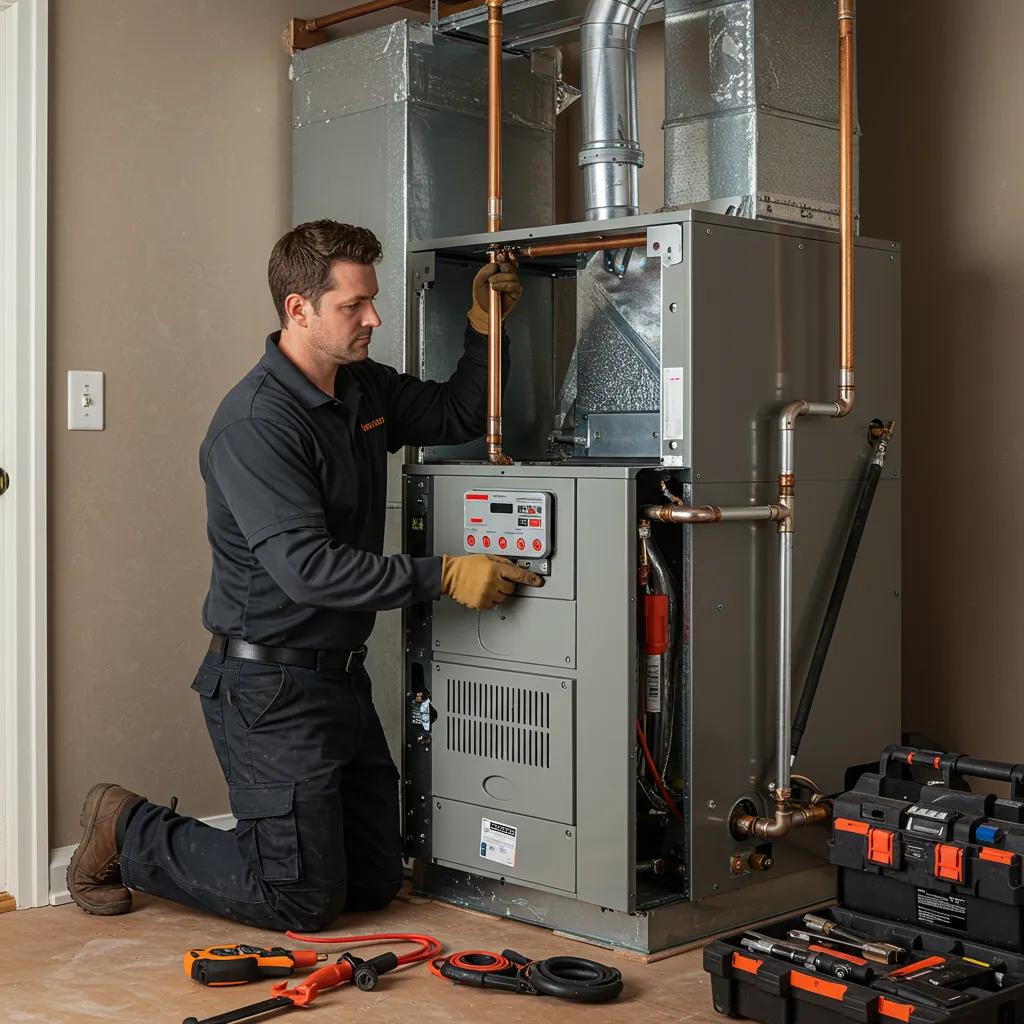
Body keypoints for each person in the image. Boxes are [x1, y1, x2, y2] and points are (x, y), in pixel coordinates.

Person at [66, 219, 541, 930]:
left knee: (378, 880)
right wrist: (442, 574)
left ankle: (275, 851)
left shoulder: (360, 390)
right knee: (301, 901)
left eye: (370, 301)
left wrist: (485, 321)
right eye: (354, 306)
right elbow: (307, 571)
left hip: (339, 679)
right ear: (299, 309)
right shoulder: (257, 424)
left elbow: (459, 412)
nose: (373, 318)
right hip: (267, 690)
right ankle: (124, 826)